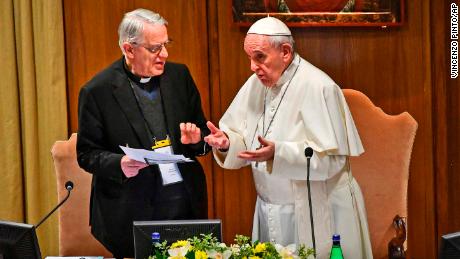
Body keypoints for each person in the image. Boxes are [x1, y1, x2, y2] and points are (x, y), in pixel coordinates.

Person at [204, 17, 373, 258]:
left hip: (317, 210)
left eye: (259, 57)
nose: (252, 67)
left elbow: (333, 160)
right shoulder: (255, 85)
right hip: (269, 209)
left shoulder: (319, 86)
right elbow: (243, 137)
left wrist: (278, 153)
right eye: (250, 58)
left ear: (285, 52)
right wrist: (228, 143)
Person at [77, 9, 210, 258]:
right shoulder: (98, 91)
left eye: (166, 45)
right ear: (129, 49)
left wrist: (197, 140)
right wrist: (120, 163)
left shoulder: (180, 77)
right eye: (154, 48)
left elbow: (201, 134)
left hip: (183, 203)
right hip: (130, 209)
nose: (165, 55)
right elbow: (86, 154)